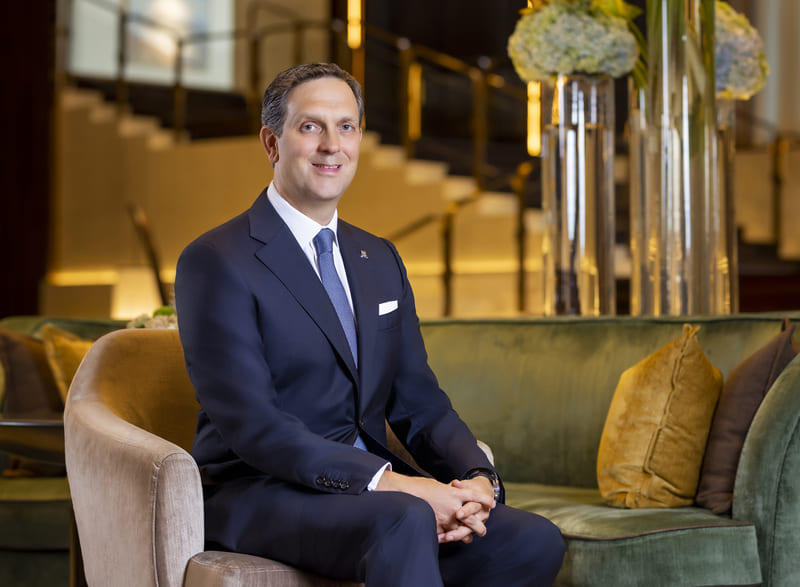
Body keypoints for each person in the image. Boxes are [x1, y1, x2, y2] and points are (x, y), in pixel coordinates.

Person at [174, 62, 565, 586]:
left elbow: (419, 401)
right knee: (404, 518)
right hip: (259, 490)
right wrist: (398, 484)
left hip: (372, 499)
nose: (331, 145)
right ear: (272, 143)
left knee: (533, 540)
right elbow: (255, 427)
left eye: (346, 126)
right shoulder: (216, 259)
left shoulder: (379, 258)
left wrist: (476, 479)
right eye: (310, 126)